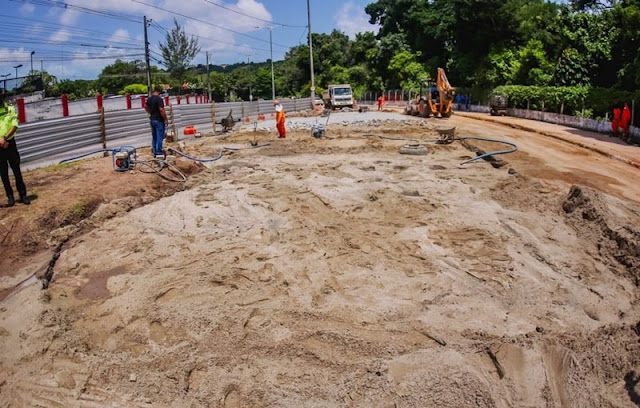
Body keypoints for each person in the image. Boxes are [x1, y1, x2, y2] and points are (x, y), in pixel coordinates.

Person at [0, 92, 29, 207]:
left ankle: (23, 196)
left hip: (10, 143)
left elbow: (15, 125)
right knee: (3, 173)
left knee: (16, 170)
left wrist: (5, 138)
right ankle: (10, 198)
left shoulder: (10, 108)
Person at [145, 85, 168, 156]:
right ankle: (159, 152)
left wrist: (150, 112)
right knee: (159, 136)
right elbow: (161, 109)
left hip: (152, 119)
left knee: (154, 136)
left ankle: (154, 151)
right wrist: (165, 119)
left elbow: (145, 106)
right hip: (159, 120)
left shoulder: (150, 99)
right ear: (159, 91)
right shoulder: (159, 99)